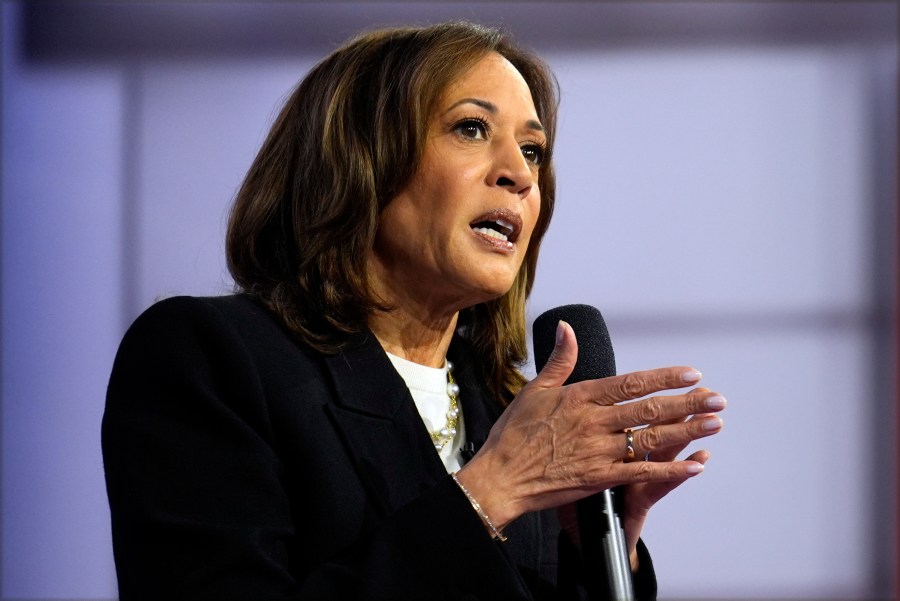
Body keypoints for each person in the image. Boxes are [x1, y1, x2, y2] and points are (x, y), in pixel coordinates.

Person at [102, 21, 726, 601]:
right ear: (359, 160)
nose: (519, 174)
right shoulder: (211, 357)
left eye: (533, 150)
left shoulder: (507, 412)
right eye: (472, 129)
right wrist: (489, 493)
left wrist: (607, 545)